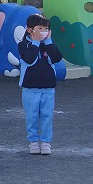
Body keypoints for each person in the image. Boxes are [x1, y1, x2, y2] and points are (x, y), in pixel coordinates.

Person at [18, 13, 63, 155]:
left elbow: (57, 58)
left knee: (47, 116)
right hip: (30, 89)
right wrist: (36, 43)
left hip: (48, 89)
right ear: (29, 30)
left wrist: (48, 42)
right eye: (40, 28)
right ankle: (33, 142)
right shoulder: (23, 45)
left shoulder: (48, 45)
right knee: (31, 117)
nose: (43, 31)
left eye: (46, 28)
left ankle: (45, 142)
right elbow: (30, 59)